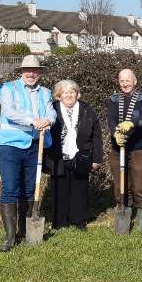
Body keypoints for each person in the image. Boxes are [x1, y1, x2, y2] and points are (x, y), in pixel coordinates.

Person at [0, 54, 56, 252]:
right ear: (21, 72)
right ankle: (10, 237)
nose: (31, 73)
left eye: (35, 70)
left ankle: (26, 230)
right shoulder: (8, 89)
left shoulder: (46, 92)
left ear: (39, 73)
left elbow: (51, 112)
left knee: (31, 188)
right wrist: (33, 121)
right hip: (11, 146)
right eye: (27, 70)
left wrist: (49, 120)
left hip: (34, 146)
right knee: (10, 188)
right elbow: (10, 112)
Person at [47, 80, 102, 230]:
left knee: (80, 189)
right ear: (59, 95)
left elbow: (97, 135)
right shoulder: (52, 109)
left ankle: (79, 221)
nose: (69, 95)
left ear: (77, 94)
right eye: (65, 92)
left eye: (72, 92)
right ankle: (59, 222)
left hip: (81, 156)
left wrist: (96, 158)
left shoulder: (87, 109)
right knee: (59, 190)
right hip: (58, 156)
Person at [106, 68, 142, 230]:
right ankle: (122, 209)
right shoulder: (113, 99)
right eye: (122, 81)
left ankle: (141, 215)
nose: (125, 83)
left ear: (135, 81)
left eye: (128, 80)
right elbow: (111, 120)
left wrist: (133, 124)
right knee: (119, 185)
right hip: (118, 148)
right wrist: (115, 134)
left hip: (138, 147)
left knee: (139, 183)